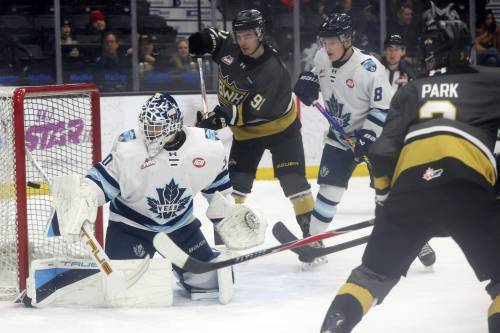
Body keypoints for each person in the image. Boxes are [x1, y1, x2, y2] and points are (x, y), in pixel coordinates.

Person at [320, 20, 500, 333]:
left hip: (410, 189)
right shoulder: (492, 80)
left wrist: (388, 202)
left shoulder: (412, 89)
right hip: (467, 185)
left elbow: (381, 153)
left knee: (369, 277)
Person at [51, 93, 266, 301]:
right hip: (131, 227)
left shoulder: (207, 148)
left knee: (213, 281)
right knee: (127, 291)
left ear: (173, 125)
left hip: (180, 227)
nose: (149, 133)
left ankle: (184, 271)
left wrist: (232, 217)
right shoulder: (129, 150)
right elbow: (99, 182)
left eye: (155, 128)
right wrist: (84, 198)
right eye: (146, 127)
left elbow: (218, 194)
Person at [188, 8, 315, 259]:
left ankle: (313, 236)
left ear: (260, 34)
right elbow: (215, 38)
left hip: (281, 130)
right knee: (232, 190)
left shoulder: (273, 70)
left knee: (294, 182)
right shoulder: (231, 47)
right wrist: (201, 40)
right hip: (245, 135)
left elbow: (251, 110)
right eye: (239, 36)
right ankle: (227, 242)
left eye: (248, 35)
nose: (243, 41)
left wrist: (221, 116)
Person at [293, 12, 393, 265]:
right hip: (340, 138)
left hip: (374, 139)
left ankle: (414, 237)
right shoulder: (322, 58)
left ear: (347, 40)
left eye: (333, 42)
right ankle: (314, 239)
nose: (327, 48)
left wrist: (368, 136)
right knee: (329, 190)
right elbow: (316, 74)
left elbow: (382, 108)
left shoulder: (369, 68)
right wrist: (308, 80)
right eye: (324, 42)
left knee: (387, 194)